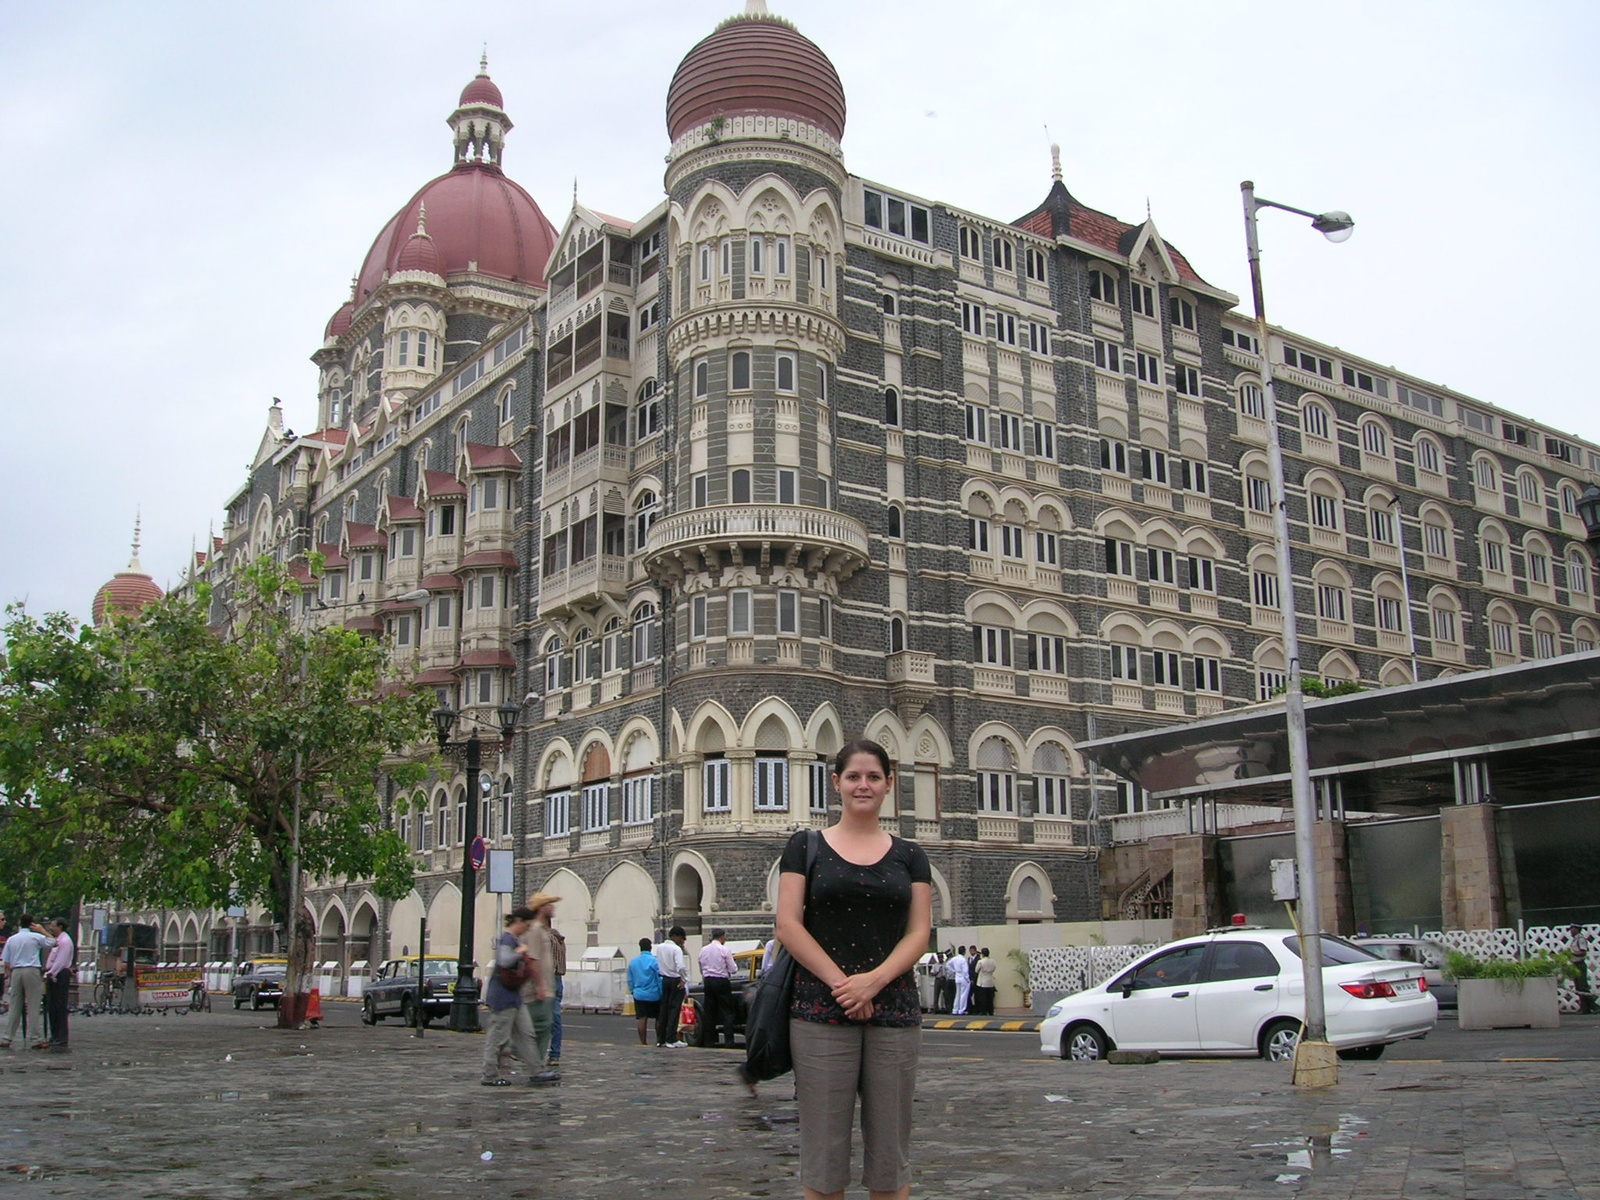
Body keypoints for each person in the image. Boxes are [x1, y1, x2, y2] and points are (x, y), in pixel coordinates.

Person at [776, 738, 932, 1200]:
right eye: (853, 776)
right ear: (836, 784)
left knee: (891, 1163)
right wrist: (844, 985)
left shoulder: (910, 855)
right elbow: (788, 924)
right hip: (820, 1015)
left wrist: (874, 982)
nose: (863, 785)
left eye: (873, 777)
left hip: (895, 1015)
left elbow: (919, 933)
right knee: (822, 1164)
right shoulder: (806, 846)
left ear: (889, 785)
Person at [481, 908, 542, 1087]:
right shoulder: (507, 939)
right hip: (503, 997)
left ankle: (537, 1070)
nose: (528, 929)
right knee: (498, 1037)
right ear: (519, 921)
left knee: (526, 1034)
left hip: (514, 996)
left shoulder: (513, 940)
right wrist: (520, 951)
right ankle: (489, 1075)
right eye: (527, 925)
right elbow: (505, 961)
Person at [521, 892, 562, 1083]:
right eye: (549, 905)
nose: (552, 908)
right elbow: (534, 959)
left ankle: (535, 1066)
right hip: (539, 989)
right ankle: (534, 1067)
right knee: (541, 1027)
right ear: (541, 908)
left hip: (547, 987)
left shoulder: (543, 930)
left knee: (542, 1027)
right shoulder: (535, 930)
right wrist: (540, 986)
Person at [2, 915, 52, 1050]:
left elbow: (6, 961)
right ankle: (35, 1037)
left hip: (16, 971)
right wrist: (42, 930)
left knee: (15, 1005)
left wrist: (9, 973)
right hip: (31, 969)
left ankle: (7, 1036)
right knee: (33, 1005)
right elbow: (54, 942)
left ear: (19, 923)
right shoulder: (36, 937)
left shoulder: (12, 939)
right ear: (32, 924)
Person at [699, 927, 738, 1048]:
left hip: (709, 981)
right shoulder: (724, 950)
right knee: (727, 1011)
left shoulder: (703, 950)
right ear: (721, 937)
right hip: (721, 980)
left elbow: (701, 967)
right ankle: (729, 1041)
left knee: (709, 1011)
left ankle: (709, 1040)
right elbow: (733, 969)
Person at [654, 925, 688, 1047]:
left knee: (664, 1009)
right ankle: (671, 1038)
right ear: (676, 937)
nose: (682, 942)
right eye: (681, 939)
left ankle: (661, 1039)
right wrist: (684, 980)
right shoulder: (676, 949)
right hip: (675, 979)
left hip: (665, 979)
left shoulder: (660, 947)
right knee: (674, 1009)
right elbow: (680, 966)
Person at [43, 919, 73, 1050]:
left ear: (60, 927)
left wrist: (51, 973)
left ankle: (60, 1037)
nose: (51, 928)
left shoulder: (65, 941)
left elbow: (60, 962)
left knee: (59, 1006)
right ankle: (55, 1035)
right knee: (53, 1006)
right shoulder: (59, 940)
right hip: (54, 974)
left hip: (59, 975)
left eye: (53, 926)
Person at [627, 937, 663, 1046]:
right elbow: (659, 978)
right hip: (654, 994)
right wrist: (662, 993)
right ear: (651, 947)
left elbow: (630, 980)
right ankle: (659, 1040)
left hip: (639, 994)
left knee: (642, 1019)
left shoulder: (633, 963)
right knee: (658, 1018)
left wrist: (633, 991)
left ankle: (643, 1042)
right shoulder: (654, 961)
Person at [547, 920, 567, 1068]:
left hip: (548, 979)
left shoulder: (547, 939)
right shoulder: (560, 939)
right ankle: (555, 1054)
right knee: (555, 1017)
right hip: (559, 979)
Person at [1570, 925, 1593, 1014]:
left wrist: (1572, 953)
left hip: (1580, 964)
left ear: (1576, 929)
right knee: (1578, 986)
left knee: (1582, 986)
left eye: (1572, 929)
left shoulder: (1580, 939)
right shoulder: (1575, 939)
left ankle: (1593, 1006)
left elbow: (1583, 951)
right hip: (1575, 964)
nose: (1571, 931)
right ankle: (1585, 1008)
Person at [973, 948, 996, 1017]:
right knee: (990, 998)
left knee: (982, 998)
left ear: (982, 954)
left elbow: (976, 970)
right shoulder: (993, 961)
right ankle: (990, 1011)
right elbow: (994, 968)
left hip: (982, 981)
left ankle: (983, 1011)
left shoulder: (981, 962)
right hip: (990, 981)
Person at [949, 946, 971, 1017]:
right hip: (963, 978)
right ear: (964, 952)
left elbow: (948, 965)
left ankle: (955, 1009)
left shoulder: (954, 959)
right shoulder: (963, 960)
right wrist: (967, 979)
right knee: (963, 995)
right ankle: (961, 1010)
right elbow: (965, 971)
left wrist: (954, 971)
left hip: (957, 977)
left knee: (957, 994)